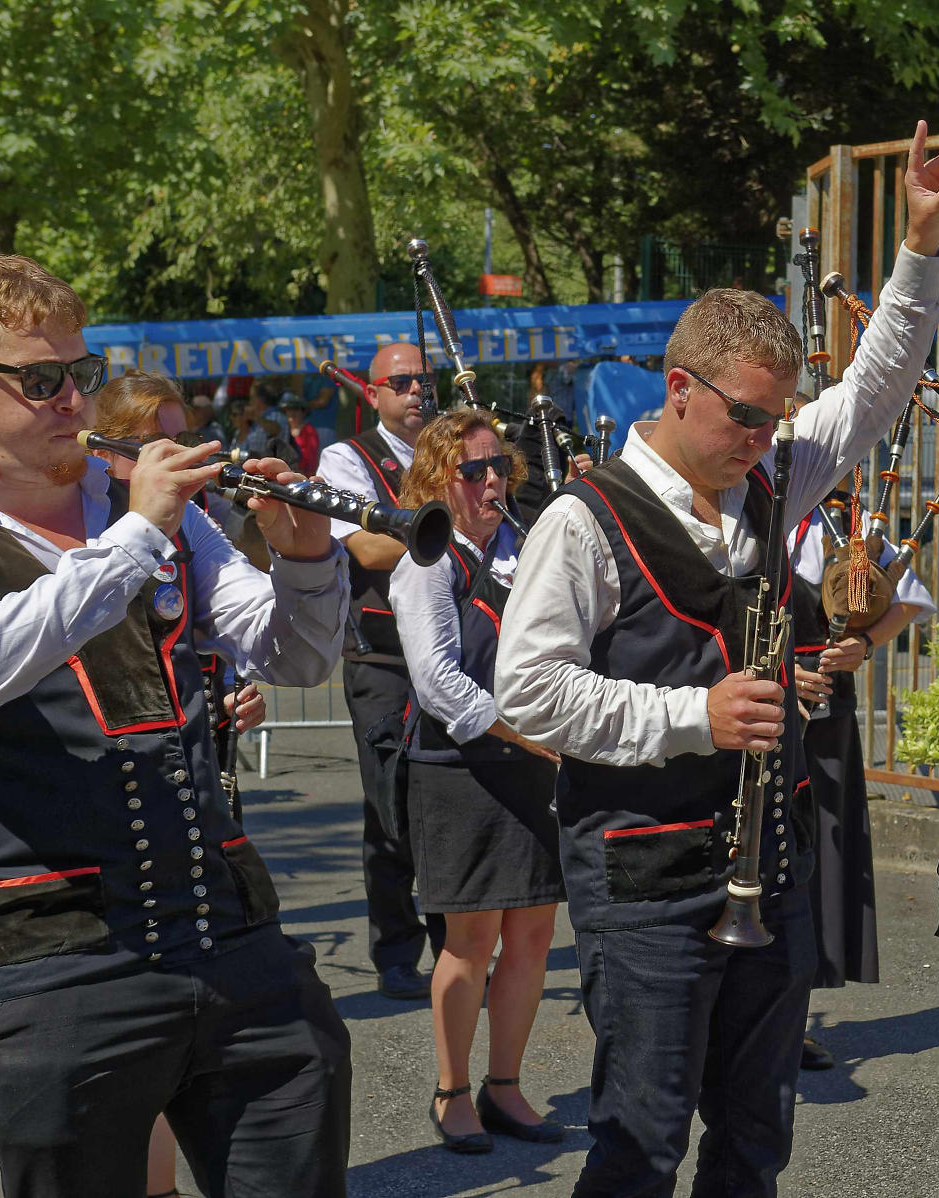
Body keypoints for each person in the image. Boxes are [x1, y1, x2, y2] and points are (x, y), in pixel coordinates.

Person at [495, 119, 939, 1198]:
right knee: (641, 1140)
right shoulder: (584, 520)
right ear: (677, 388)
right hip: (645, 871)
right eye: (745, 414)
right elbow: (522, 691)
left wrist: (920, 249)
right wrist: (688, 717)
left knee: (755, 1138)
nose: (764, 435)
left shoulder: (766, 478)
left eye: (775, 416)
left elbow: (878, 389)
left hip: (766, 858)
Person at [0, 251, 351, 1197]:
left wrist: (307, 561)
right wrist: (135, 535)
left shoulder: (157, 514)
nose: (72, 403)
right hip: (56, 969)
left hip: (231, 933)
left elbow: (293, 658)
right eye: (42, 379)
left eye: (82, 375)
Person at [82, 369, 274, 1198]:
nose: (183, 455)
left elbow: (244, 622)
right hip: (102, 808)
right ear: (116, 451)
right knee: (133, 1037)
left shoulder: (193, 520)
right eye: (161, 439)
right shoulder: (83, 521)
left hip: (191, 788)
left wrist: (301, 553)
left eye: (183, 433)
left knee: (206, 1020)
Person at [389, 411, 567, 1153]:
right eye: (472, 471)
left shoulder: (522, 549)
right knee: (470, 941)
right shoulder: (428, 562)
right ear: (437, 480)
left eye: (498, 467)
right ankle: (451, 1090)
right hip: (460, 771)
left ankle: (506, 1086)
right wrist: (534, 736)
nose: (491, 481)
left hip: (528, 767)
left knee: (531, 933)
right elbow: (438, 684)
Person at [787, 490, 935, 1070]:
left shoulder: (847, 522)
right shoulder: (743, 506)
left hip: (827, 717)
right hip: (753, 708)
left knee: (818, 857)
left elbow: (909, 599)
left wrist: (865, 644)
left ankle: (787, 1020)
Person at [316, 341, 444, 999]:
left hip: (451, 649)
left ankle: (456, 944)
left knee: (453, 796)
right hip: (383, 652)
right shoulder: (346, 458)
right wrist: (448, 529)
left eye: (424, 379)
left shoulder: (451, 447)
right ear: (373, 393)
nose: (416, 391)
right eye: (401, 382)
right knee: (390, 800)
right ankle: (397, 951)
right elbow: (365, 545)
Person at [282, 393, 321, 475]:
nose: (292, 413)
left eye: (296, 409)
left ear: (304, 412)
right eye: (289, 409)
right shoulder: (283, 430)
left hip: (302, 476)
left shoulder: (309, 430)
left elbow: (311, 459)